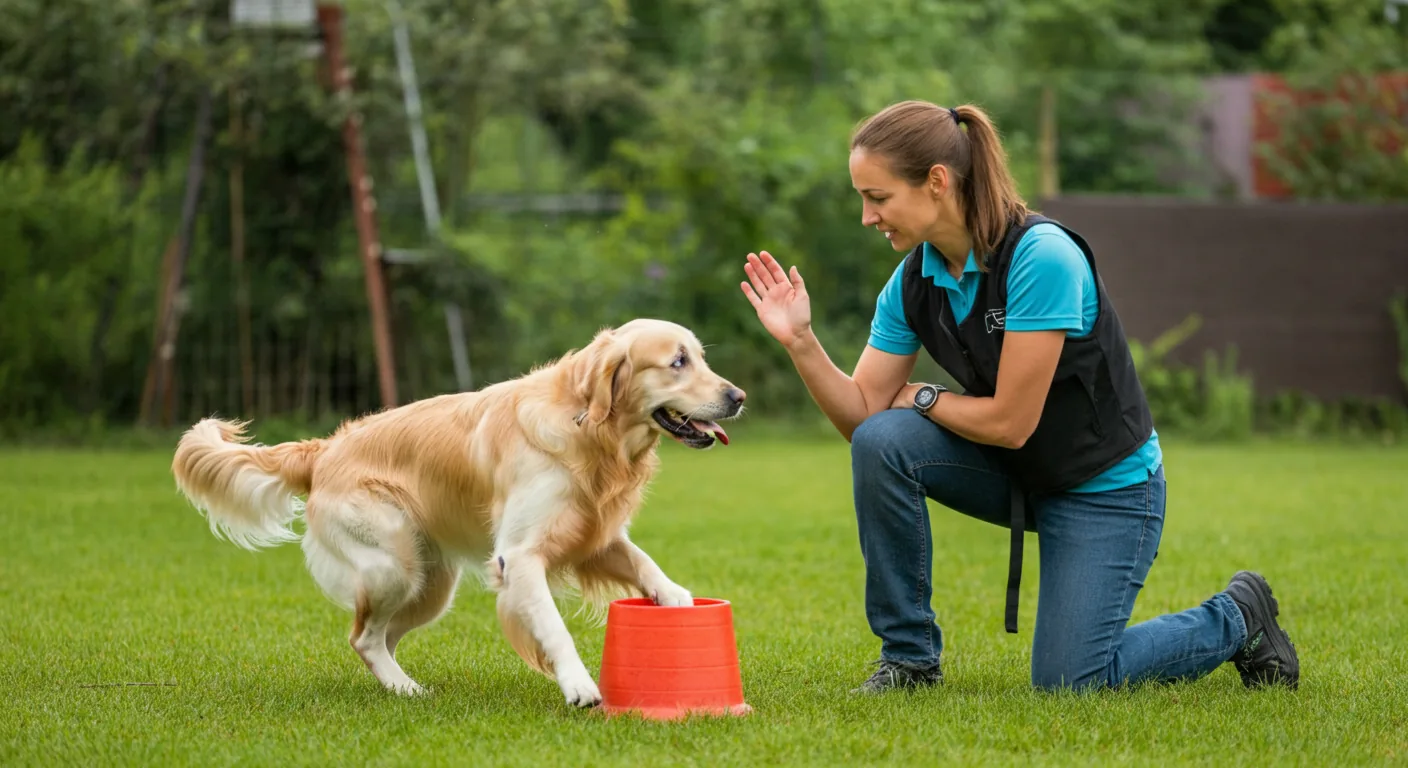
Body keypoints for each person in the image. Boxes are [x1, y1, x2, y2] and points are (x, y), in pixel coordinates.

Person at [738, 99, 1299, 694]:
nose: (866, 216)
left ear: (936, 182)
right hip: (1017, 473)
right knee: (881, 441)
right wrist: (800, 340)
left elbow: (1010, 423)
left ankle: (1238, 617)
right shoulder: (912, 282)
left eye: (878, 197)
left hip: (1105, 491)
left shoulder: (1041, 257)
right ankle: (908, 660)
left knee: (1071, 682)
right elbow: (861, 418)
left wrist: (925, 397)